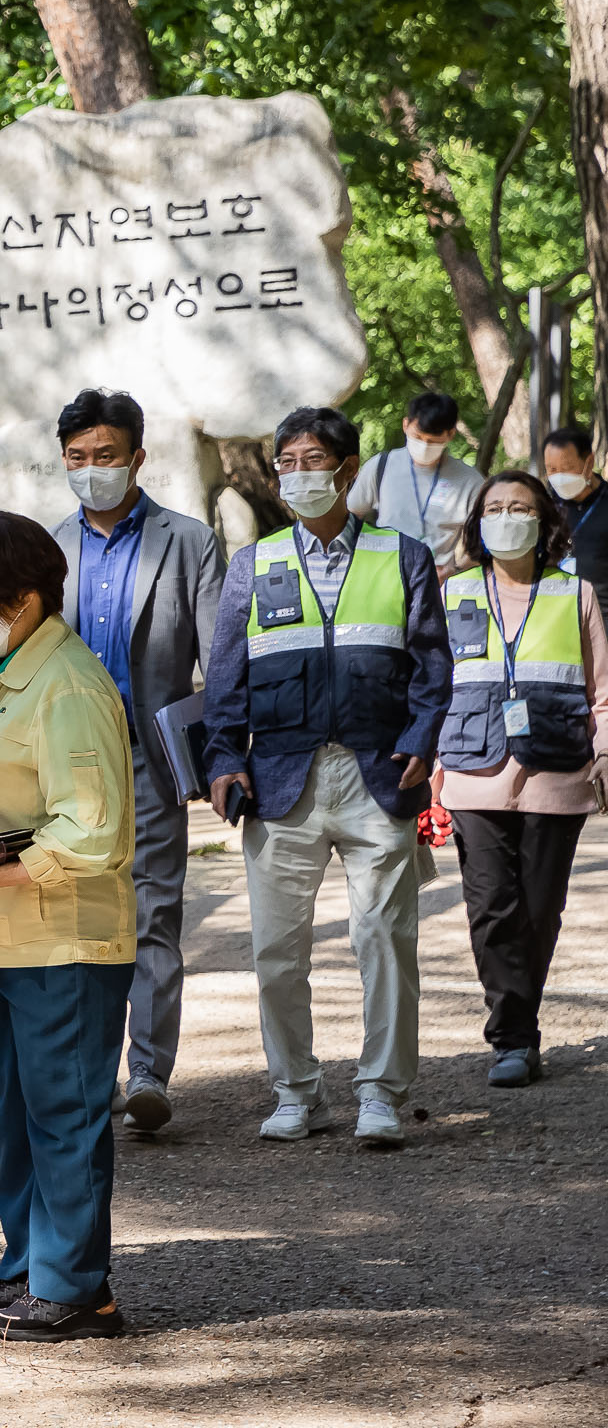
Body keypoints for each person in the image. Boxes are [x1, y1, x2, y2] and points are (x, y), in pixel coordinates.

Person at [205, 406, 452, 1149]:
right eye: (288, 462)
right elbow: (226, 677)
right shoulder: (253, 565)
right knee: (277, 950)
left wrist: (420, 739)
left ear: (347, 471)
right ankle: (296, 1092)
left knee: (385, 938)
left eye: (314, 461)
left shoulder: (401, 556)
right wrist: (223, 758)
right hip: (280, 780)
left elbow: (434, 665)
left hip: (380, 772)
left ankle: (381, 1092)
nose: (300, 474)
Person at [0, 511, 138, 1343]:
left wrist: (9, 865)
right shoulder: (6, 664)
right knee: (19, 1115)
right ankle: (30, 1268)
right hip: (9, 935)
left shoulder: (69, 683)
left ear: (22, 599)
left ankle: (79, 1289)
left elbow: (93, 826)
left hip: (64, 938)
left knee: (64, 1113)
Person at [48, 388, 223, 1135]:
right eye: (78, 459)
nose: (93, 470)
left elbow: (220, 659)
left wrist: (222, 759)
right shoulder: (47, 547)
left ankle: (148, 1072)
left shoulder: (188, 542)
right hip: (67, 762)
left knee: (153, 914)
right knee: (77, 919)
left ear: (137, 458)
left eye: (106, 457)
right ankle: (90, 1073)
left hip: (150, 755)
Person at [432, 474, 603, 1089]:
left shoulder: (574, 593)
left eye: (520, 508)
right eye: (495, 508)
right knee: (489, 906)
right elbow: (428, 688)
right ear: (477, 520)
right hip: (471, 770)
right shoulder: (449, 594)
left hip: (556, 770)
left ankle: (518, 1028)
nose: (507, 518)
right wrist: (427, 765)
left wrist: (604, 755)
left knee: (539, 908)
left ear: (544, 521)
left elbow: (601, 693)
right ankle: (513, 1036)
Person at [348, 390, 483, 573]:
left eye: (433, 441)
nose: (425, 446)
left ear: (451, 434)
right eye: (418, 437)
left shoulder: (469, 481)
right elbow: (351, 517)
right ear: (406, 425)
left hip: (437, 577)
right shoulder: (381, 466)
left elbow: (484, 539)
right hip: (384, 571)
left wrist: (453, 569)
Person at [537, 425, 608, 578]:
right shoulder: (546, 503)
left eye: (567, 467)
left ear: (589, 463)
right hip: (557, 597)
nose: (560, 476)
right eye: (552, 469)